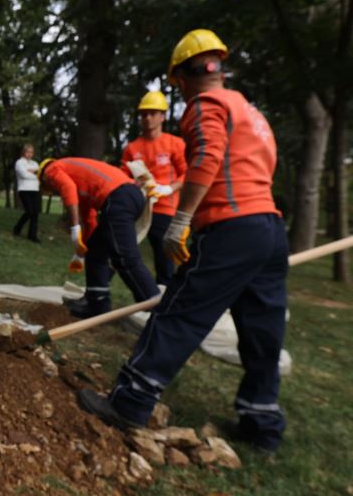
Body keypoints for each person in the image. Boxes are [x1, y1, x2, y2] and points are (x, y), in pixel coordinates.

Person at [78, 29, 289, 454]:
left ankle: (131, 401)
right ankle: (261, 420)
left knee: (178, 312)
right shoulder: (250, 111)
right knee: (262, 327)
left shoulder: (205, 105)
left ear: (181, 78)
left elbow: (209, 157)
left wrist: (183, 220)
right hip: (269, 229)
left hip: (231, 229)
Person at [38, 157, 160, 319]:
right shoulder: (78, 179)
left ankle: (156, 307)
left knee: (125, 258)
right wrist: (82, 250)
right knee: (95, 252)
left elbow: (67, 187)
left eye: (51, 189)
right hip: (128, 196)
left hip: (118, 198)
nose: (55, 191)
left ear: (45, 180)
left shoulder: (51, 169)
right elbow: (89, 219)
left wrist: (74, 227)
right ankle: (97, 304)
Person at [120, 91, 187, 286]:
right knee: (120, 248)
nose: (148, 118)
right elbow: (122, 176)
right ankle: (99, 293)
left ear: (163, 116)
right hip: (138, 208)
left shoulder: (175, 144)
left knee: (164, 260)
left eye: (153, 113)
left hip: (164, 209)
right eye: (144, 114)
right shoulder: (132, 147)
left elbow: (188, 174)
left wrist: (168, 188)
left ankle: (162, 303)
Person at [13, 144, 42, 243]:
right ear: (23, 152)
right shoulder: (19, 162)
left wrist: (32, 171)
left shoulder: (35, 163)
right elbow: (24, 175)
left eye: (31, 152)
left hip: (35, 190)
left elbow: (40, 175)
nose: (29, 154)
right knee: (29, 211)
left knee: (35, 214)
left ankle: (32, 236)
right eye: (27, 152)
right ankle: (17, 228)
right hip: (24, 189)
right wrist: (35, 173)